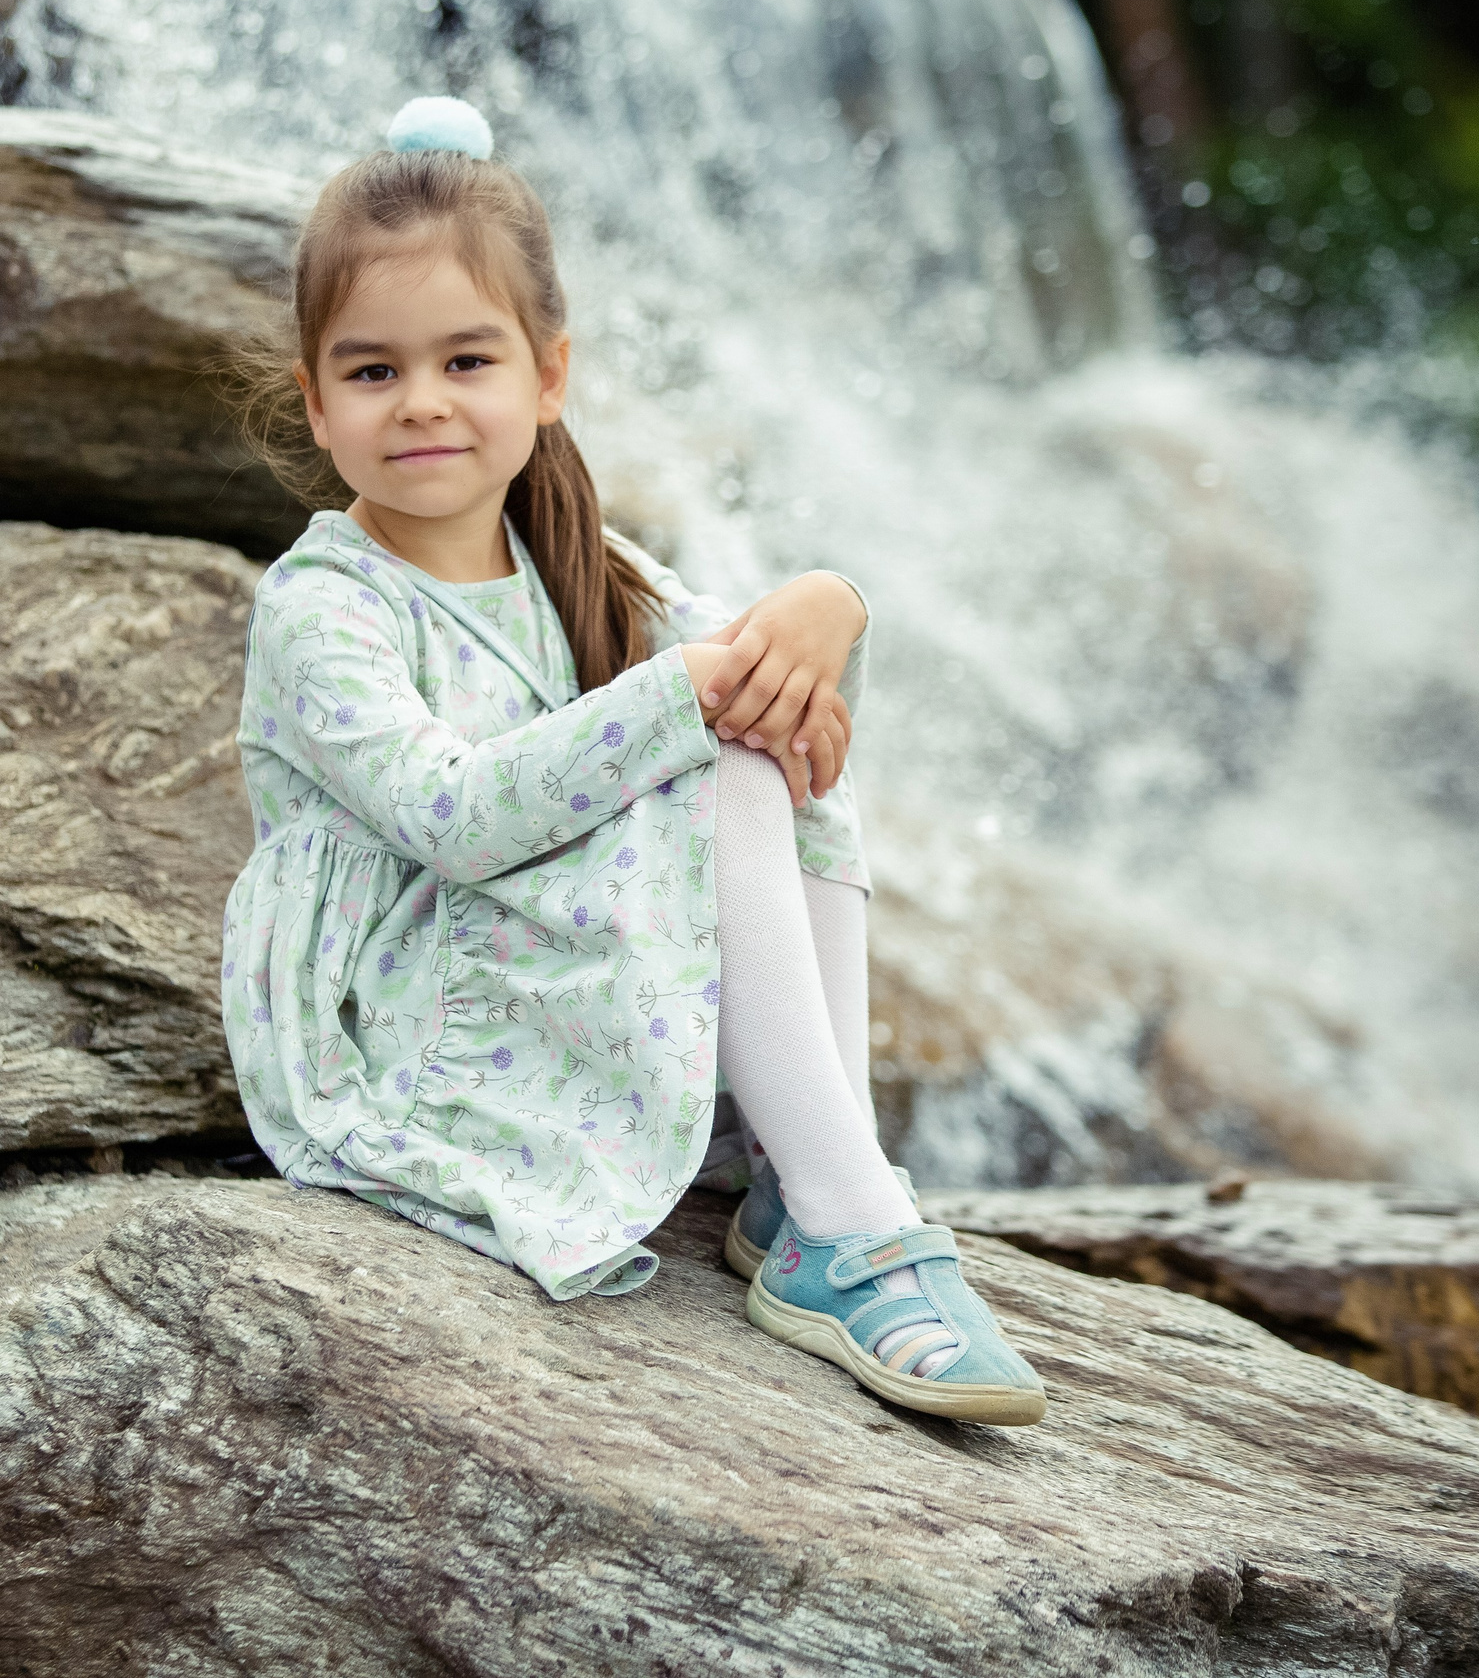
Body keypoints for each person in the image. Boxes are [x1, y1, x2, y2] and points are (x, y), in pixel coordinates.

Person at [220, 96, 1044, 1426]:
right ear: (316, 405)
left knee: (764, 740)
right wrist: (693, 691)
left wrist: (833, 604)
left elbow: (759, 672)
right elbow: (455, 815)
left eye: (466, 363)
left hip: (526, 975)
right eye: (373, 372)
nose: (422, 402)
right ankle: (850, 1222)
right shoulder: (326, 606)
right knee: (711, 736)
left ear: (548, 378)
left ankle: (811, 1184)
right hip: (409, 1039)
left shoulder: (575, 566)